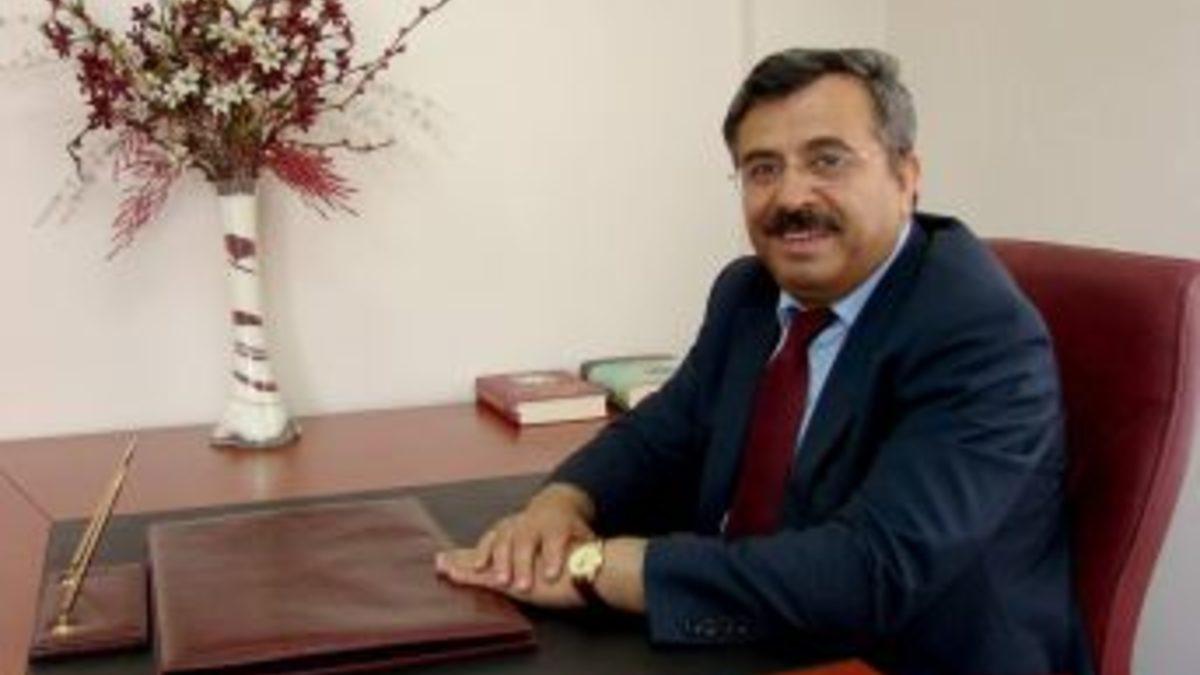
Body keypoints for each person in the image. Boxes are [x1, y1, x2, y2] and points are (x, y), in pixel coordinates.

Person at [436, 47, 1093, 675]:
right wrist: (559, 506)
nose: (790, 197)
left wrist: (594, 569)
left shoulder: (978, 332)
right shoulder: (748, 292)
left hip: (903, 656)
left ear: (906, 176)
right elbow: (661, 433)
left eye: (827, 160)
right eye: (762, 169)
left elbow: (870, 571)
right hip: (763, 634)